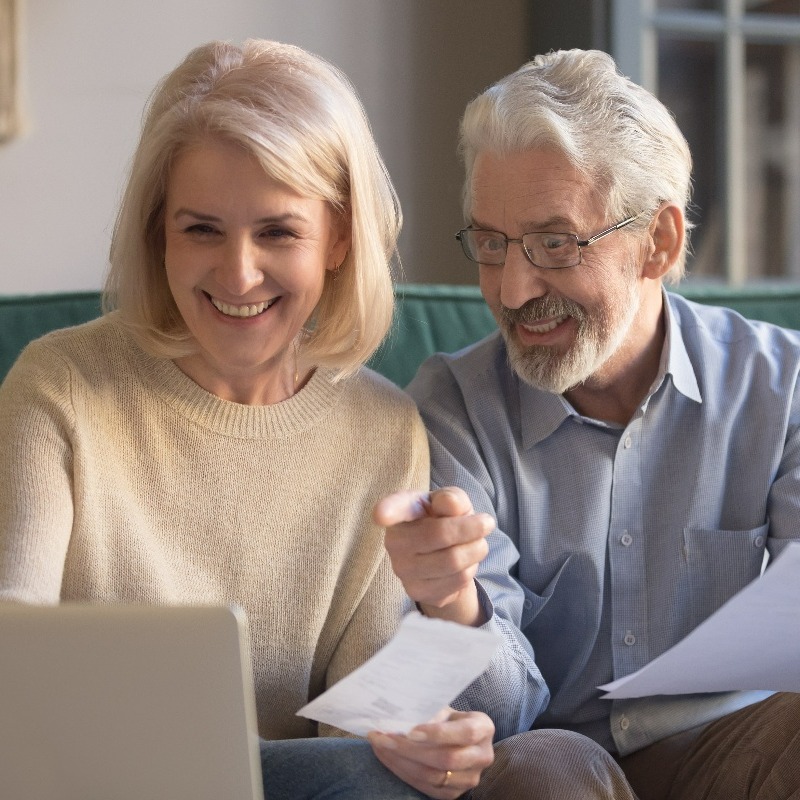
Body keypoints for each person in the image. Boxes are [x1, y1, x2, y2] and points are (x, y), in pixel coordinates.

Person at [0, 39, 494, 799]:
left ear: (337, 238)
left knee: (382, 777)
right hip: (89, 783)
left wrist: (423, 742)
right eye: (201, 229)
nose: (237, 273)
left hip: (301, 787)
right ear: (157, 231)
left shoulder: (385, 431)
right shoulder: (58, 387)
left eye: (277, 232)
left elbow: (360, 740)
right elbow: (13, 654)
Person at [375, 49, 800, 799]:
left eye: (555, 244)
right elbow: (496, 715)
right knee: (544, 773)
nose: (512, 288)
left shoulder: (781, 385)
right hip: (554, 757)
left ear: (659, 243)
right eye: (492, 243)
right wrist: (454, 606)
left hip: (734, 749)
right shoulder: (451, 409)